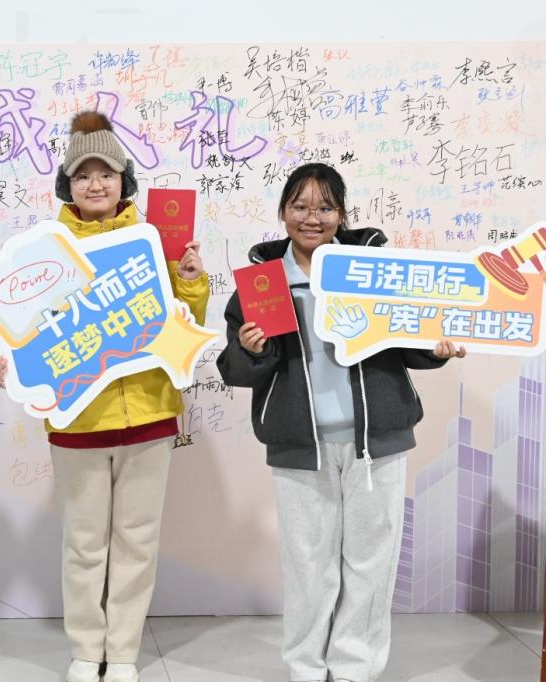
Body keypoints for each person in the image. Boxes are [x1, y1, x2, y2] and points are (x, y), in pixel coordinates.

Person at [216, 162, 466, 682]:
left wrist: (436, 348)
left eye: (325, 207)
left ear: (342, 214)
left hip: (376, 443)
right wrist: (250, 349)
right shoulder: (262, 283)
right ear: (283, 211)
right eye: (300, 206)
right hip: (298, 445)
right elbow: (235, 370)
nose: (313, 218)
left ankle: (355, 669)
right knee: (308, 567)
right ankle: (306, 669)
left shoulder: (370, 270)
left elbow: (409, 342)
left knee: (371, 563)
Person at [0, 111, 209, 682]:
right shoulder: (47, 250)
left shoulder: (153, 241)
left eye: (107, 173)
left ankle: (125, 652)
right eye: (83, 174)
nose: (96, 184)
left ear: (123, 181)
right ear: (67, 184)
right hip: (77, 420)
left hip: (150, 413)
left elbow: (185, 323)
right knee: (84, 544)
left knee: (137, 541)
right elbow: (23, 328)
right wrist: (11, 359)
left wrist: (190, 280)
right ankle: (87, 650)